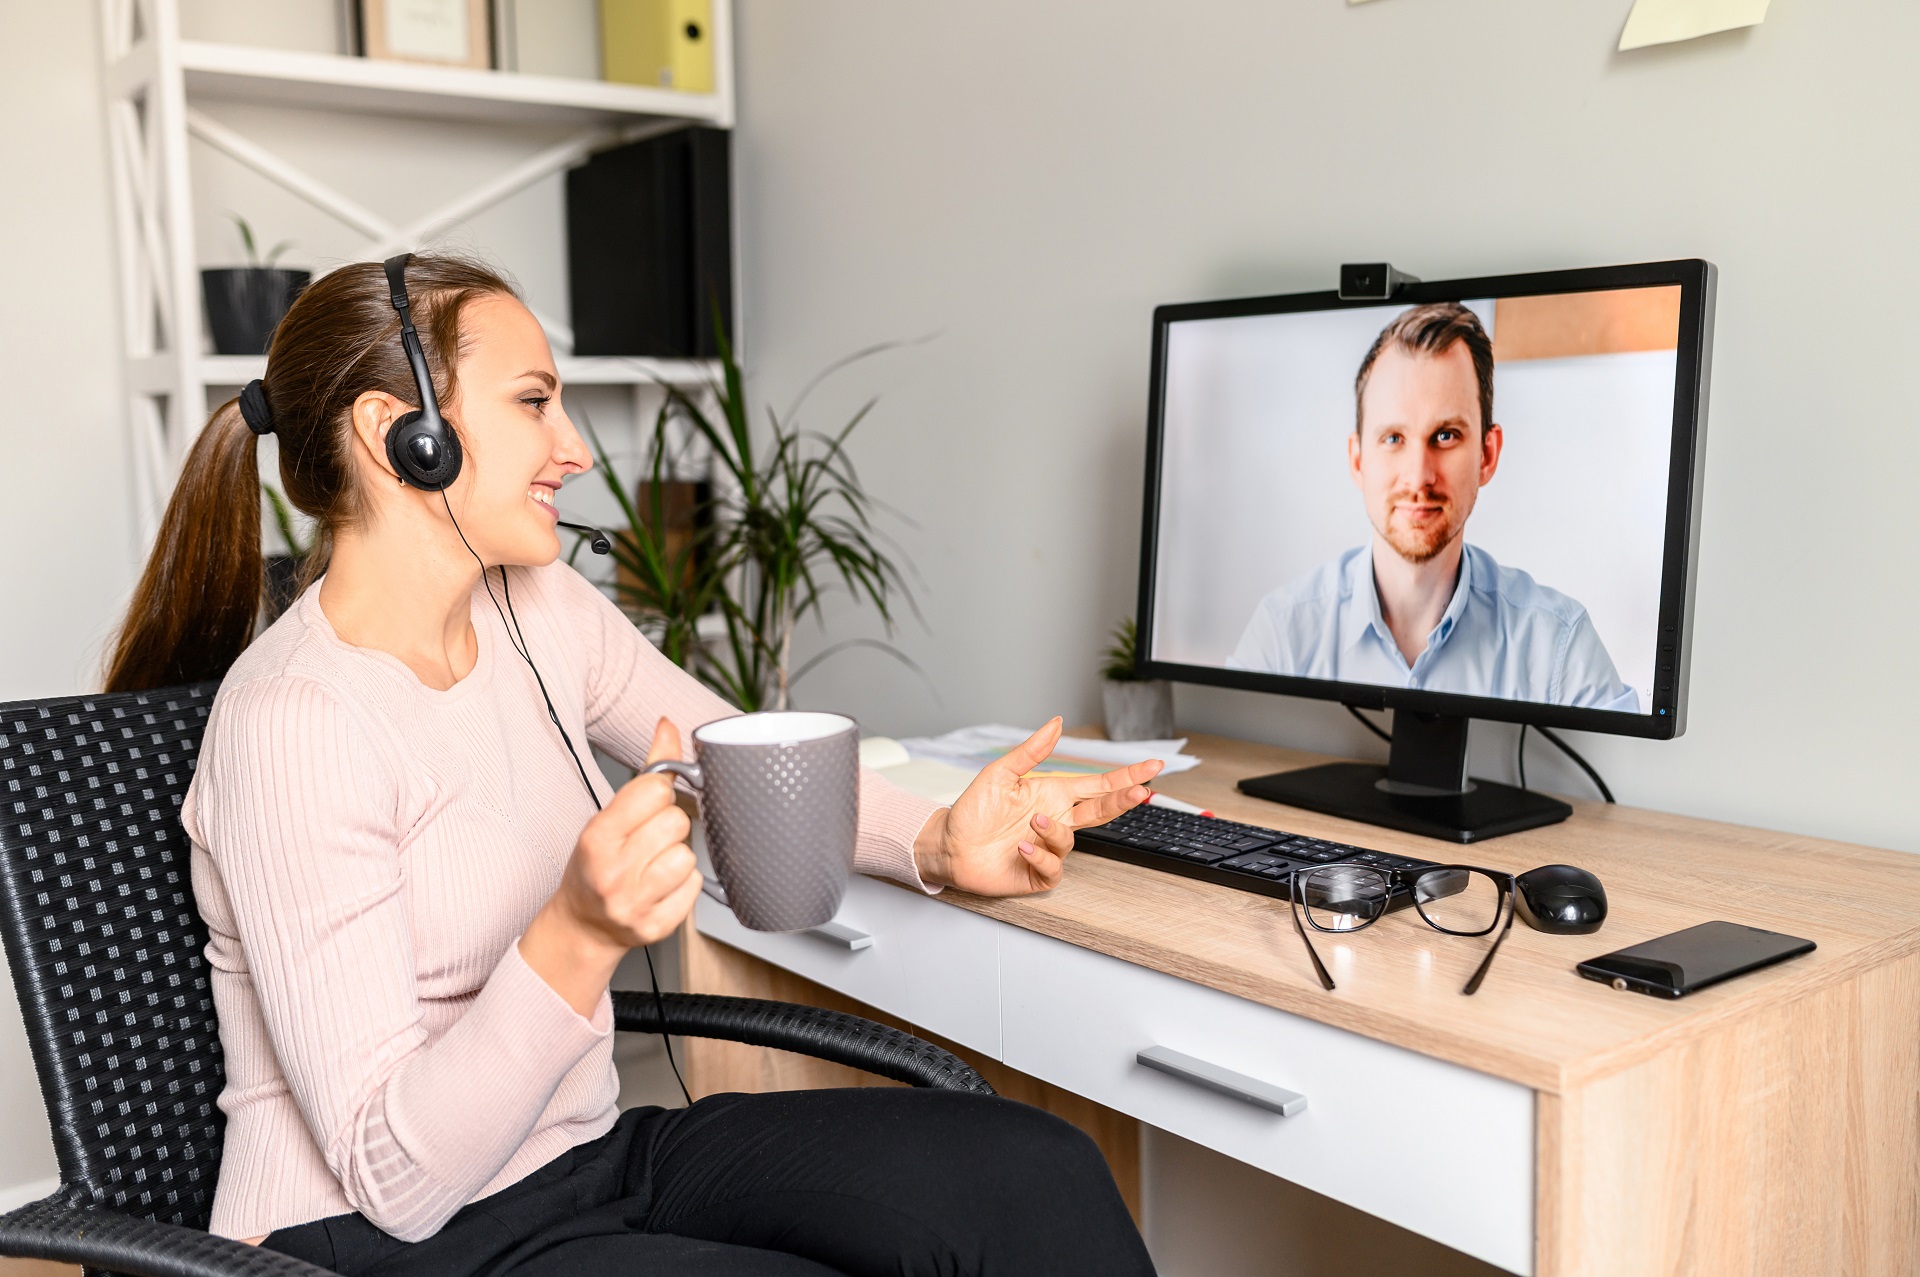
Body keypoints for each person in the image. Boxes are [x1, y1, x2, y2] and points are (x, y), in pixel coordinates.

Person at [104, 254, 1159, 1276]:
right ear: (401, 435)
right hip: (373, 1241)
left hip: (586, 1160)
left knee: (1036, 1173)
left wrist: (933, 841)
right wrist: (578, 931)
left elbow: (737, 760)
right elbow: (394, 1175)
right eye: (533, 402)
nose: (577, 449)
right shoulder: (297, 719)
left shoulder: (541, 606)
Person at [1227, 302, 1638, 713]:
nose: (1418, 476)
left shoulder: (1559, 649)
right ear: (1358, 460)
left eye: (1444, 435)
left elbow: (1631, 774)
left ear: (1487, 455)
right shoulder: (1283, 634)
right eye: (1393, 438)